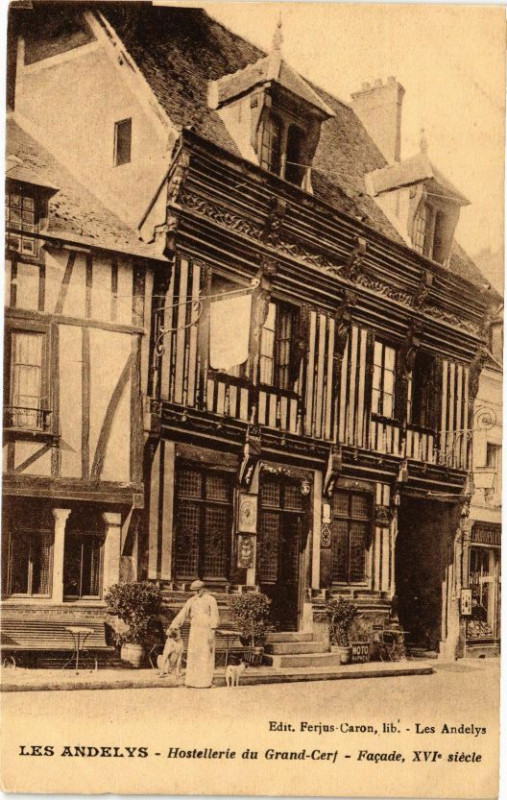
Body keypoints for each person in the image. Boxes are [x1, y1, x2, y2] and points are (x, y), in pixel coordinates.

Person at [170, 580, 219, 688]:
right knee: (194, 655)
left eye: (198, 591)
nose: (196, 593)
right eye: (194, 591)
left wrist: (212, 631)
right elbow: (182, 613)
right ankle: (191, 682)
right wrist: (174, 625)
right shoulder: (191, 601)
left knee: (206, 655)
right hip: (195, 631)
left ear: (203, 589)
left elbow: (214, 616)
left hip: (206, 631)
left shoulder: (211, 600)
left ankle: (205, 682)